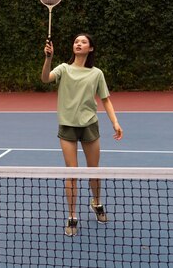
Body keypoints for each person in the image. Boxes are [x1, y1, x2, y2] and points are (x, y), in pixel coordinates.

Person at [41, 33, 123, 236]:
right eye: (76, 41)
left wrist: (115, 122)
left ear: (91, 48)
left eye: (83, 42)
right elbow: (45, 79)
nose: (78, 44)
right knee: (72, 172)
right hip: (67, 127)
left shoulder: (97, 74)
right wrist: (48, 59)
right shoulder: (63, 69)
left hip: (89, 126)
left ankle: (96, 202)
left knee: (94, 171)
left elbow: (106, 99)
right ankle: (71, 216)